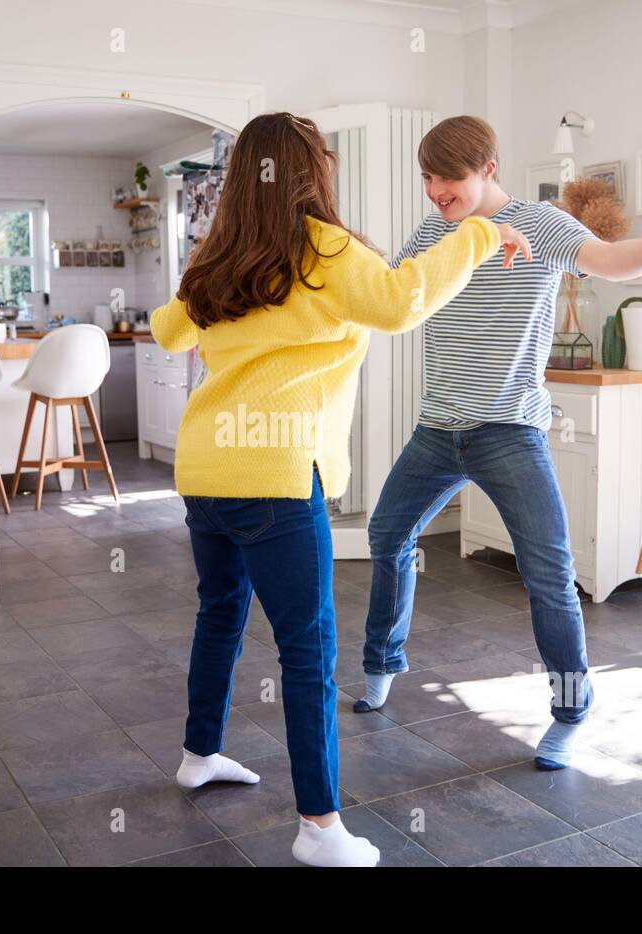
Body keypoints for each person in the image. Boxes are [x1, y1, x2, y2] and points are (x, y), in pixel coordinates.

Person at [149, 112, 530, 866]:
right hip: (277, 477)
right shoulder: (324, 248)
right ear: (310, 170)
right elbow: (400, 303)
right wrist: (483, 236)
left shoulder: (218, 255)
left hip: (206, 469)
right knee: (307, 649)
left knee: (219, 612)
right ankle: (320, 829)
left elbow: (168, 332)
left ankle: (199, 754)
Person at [355, 116, 642, 773]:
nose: (437, 189)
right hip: (438, 428)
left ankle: (571, 710)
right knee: (387, 536)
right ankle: (383, 662)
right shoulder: (435, 230)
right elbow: (391, 294)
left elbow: (606, 260)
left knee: (550, 575)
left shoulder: (544, 224)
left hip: (509, 433)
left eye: (451, 178)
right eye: (429, 177)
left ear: (488, 169)